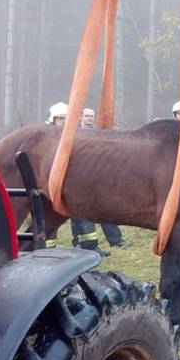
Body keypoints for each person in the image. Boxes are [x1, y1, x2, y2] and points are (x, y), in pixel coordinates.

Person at [45, 103, 109, 257]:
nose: (63, 122)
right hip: (50, 183)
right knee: (47, 217)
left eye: (66, 119)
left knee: (83, 215)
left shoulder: (75, 134)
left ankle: (89, 247)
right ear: (52, 119)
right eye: (60, 119)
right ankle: (46, 249)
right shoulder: (46, 137)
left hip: (73, 182)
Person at [78, 107, 128, 249]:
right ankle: (85, 245)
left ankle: (115, 240)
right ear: (80, 117)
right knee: (82, 215)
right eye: (87, 116)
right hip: (80, 179)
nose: (89, 119)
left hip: (98, 179)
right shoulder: (73, 133)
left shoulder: (98, 133)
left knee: (107, 210)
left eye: (92, 116)